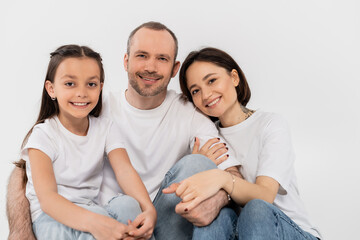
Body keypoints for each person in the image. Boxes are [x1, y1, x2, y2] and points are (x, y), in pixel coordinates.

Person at [7, 22, 241, 240]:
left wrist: (219, 195)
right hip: (104, 219)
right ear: (126, 60)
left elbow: (231, 174)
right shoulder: (92, 109)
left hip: (158, 220)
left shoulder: (189, 115)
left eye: (162, 58)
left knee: (198, 167)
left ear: (174, 68)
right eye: (142, 56)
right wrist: (20, 233)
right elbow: (25, 173)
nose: (150, 67)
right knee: (125, 205)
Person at [164, 47, 322, 239]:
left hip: (289, 231)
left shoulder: (271, 124)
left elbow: (265, 196)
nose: (206, 95)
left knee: (256, 208)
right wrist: (200, 166)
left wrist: (221, 178)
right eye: (196, 90)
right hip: (241, 234)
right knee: (215, 217)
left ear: (234, 78)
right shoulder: (206, 138)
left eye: (212, 80)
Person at [16, 44, 156, 239]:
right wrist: (97, 223)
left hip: (90, 209)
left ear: (100, 87)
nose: (81, 93)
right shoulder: (43, 135)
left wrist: (148, 208)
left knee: (128, 205)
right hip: (50, 218)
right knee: (98, 226)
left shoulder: (105, 128)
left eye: (91, 84)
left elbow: (125, 171)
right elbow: (48, 199)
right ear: (51, 89)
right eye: (70, 84)